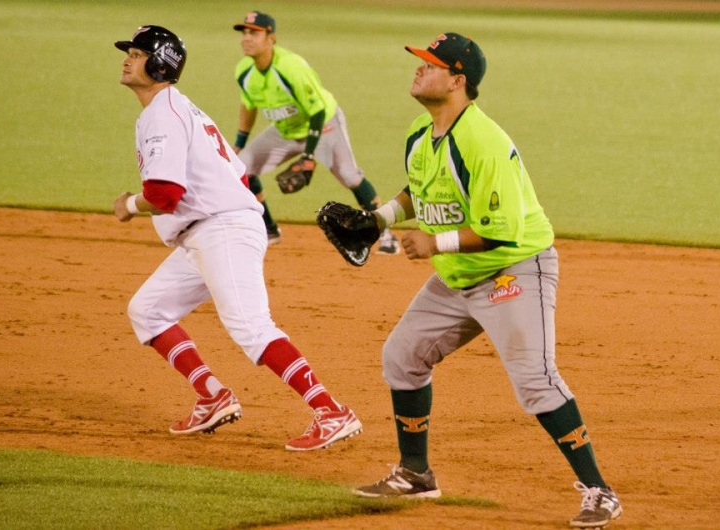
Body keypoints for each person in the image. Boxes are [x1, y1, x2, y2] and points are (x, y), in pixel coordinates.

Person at [351, 33, 623, 528]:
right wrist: (381, 219)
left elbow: (504, 231)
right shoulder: (421, 130)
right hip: (458, 278)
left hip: (512, 269)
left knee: (536, 382)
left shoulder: (484, 141)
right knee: (402, 356)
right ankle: (415, 473)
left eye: (430, 65)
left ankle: (600, 491)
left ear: (458, 80)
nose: (418, 70)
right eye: (419, 62)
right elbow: (421, 188)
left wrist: (435, 244)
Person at [112, 25, 362, 451]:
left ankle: (332, 411)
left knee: (250, 326)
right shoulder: (179, 108)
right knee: (148, 310)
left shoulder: (163, 115)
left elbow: (165, 195)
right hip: (208, 231)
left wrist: (131, 205)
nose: (127, 59)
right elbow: (241, 173)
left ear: (159, 64)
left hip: (221, 228)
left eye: (136, 53)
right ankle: (212, 396)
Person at [231, 11, 400, 255]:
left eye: (254, 32)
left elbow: (318, 110)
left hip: (324, 124)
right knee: (242, 168)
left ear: (271, 37)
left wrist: (309, 156)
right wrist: (240, 143)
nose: (246, 38)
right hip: (285, 131)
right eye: (244, 32)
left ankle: (386, 234)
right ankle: (268, 230)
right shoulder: (245, 71)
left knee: (349, 175)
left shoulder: (291, 67)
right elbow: (248, 105)